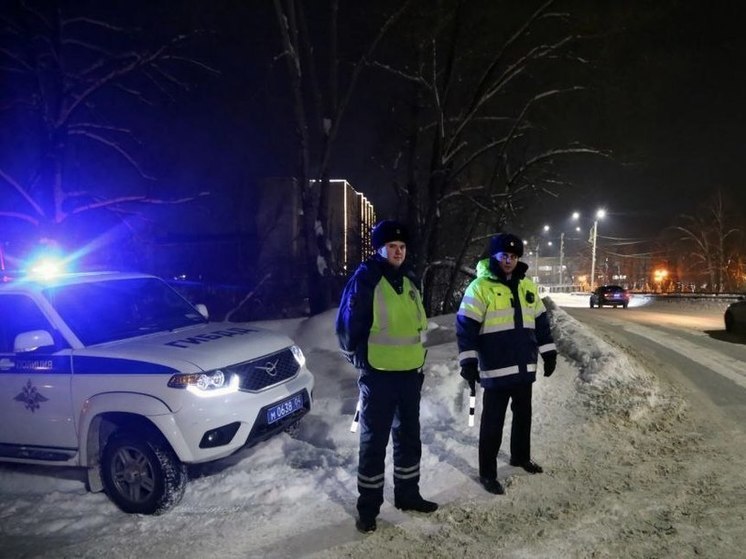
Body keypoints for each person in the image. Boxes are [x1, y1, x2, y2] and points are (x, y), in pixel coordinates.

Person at [336, 219, 438, 534]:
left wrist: (419, 365)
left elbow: (418, 328)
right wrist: (360, 361)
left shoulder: (410, 281)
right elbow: (347, 328)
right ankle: (368, 509)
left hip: (408, 376)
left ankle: (408, 495)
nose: (398, 251)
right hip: (378, 376)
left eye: (402, 247)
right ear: (380, 249)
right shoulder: (366, 279)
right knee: (373, 443)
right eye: (392, 246)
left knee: (409, 440)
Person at [456, 232, 557, 495]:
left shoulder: (527, 287)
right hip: (497, 368)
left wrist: (548, 352)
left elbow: (541, 323)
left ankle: (520, 457)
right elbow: (466, 327)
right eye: (504, 256)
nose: (509, 261)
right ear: (495, 256)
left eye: (513, 256)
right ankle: (487, 473)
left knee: (524, 417)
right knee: (493, 423)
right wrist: (468, 361)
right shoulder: (480, 287)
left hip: (524, 366)